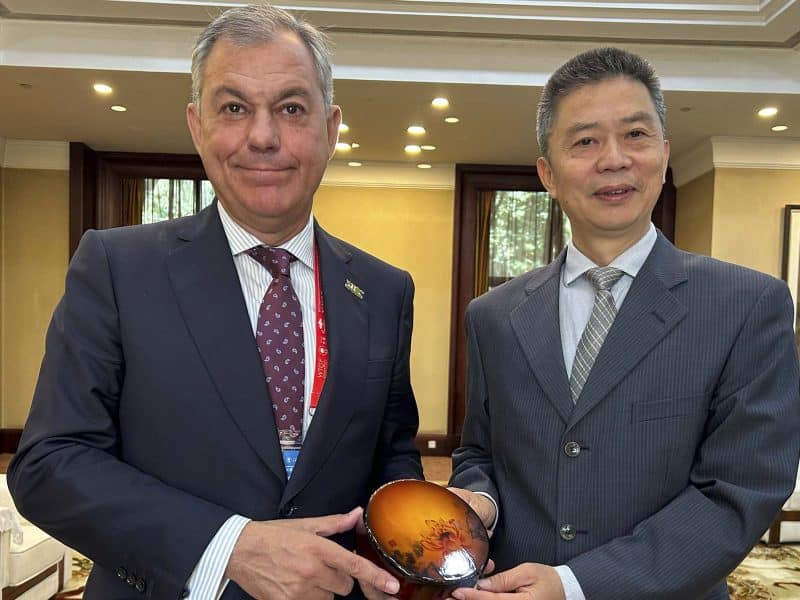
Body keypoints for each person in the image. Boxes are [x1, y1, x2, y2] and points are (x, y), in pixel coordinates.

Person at [7, 4, 423, 599]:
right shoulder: (117, 268)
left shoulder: (385, 290)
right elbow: (49, 465)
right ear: (197, 126)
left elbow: (393, 457)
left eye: (291, 108)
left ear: (330, 129)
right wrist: (227, 546)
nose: (263, 136)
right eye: (234, 108)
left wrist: (419, 537)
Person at [448, 47, 800, 600]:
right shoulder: (493, 315)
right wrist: (480, 501)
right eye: (584, 141)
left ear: (662, 154)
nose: (613, 159)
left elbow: (739, 491)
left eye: (635, 135)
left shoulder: (746, 305)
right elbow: (480, 452)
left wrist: (574, 584)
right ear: (549, 174)